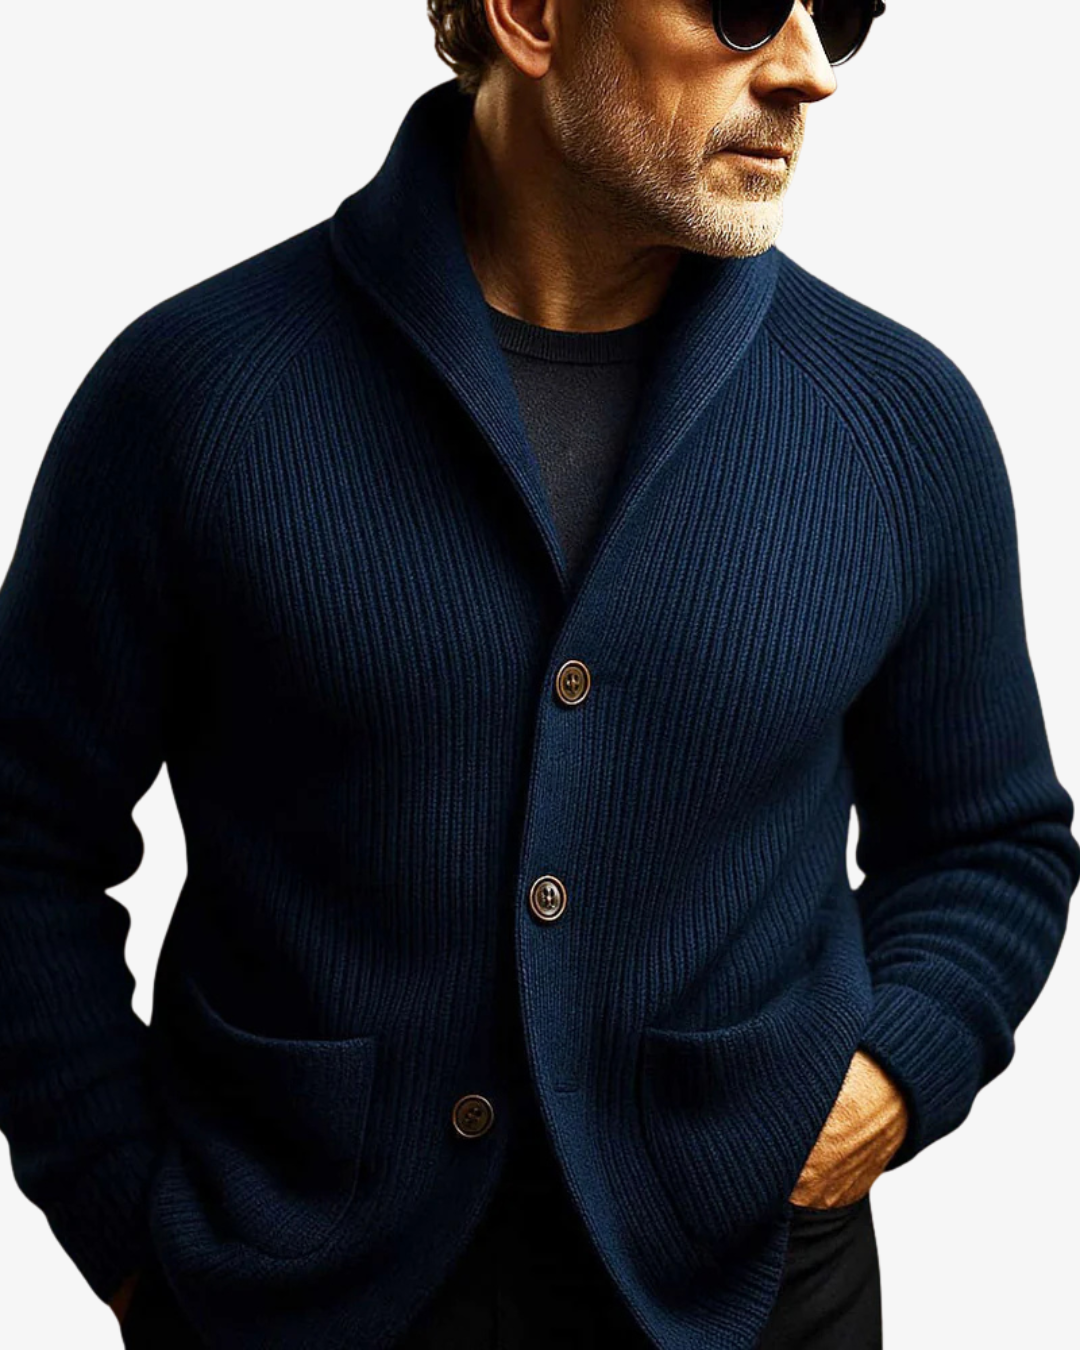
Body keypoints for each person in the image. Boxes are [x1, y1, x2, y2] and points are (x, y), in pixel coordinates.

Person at [0, 2, 1075, 1348]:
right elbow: (24, 838)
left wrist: (894, 1071)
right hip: (295, 1297)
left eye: (839, 11)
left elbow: (991, 839)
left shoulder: (896, 421)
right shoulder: (196, 395)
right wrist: (127, 1231)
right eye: (745, 7)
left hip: (751, 1295)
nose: (809, 70)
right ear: (530, 15)